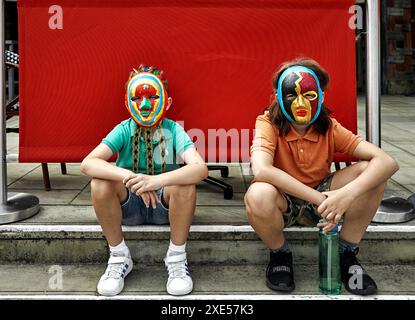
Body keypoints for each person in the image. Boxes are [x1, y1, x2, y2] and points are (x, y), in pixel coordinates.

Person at [245, 58, 399, 295]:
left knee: (372, 173)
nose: (300, 103)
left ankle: (346, 254)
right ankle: (280, 254)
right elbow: (262, 170)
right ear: (277, 97)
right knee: (258, 193)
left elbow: (387, 162)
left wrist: (346, 195)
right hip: (287, 199)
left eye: (309, 95)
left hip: (325, 193)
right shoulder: (267, 123)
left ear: (321, 96)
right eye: (291, 95)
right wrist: (324, 200)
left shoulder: (329, 126)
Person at [80, 64, 208, 296]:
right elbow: (88, 163)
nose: (145, 105)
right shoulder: (123, 130)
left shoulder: (173, 130)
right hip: (128, 206)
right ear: (127, 103)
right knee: (99, 181)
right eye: (137, 99)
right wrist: (130, 177)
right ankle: (119, 256)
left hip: (166, 208)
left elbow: (200, 169)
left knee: (185, 182)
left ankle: (177, 258)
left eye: (153, 97)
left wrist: (156, 181)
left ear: (167, 102)